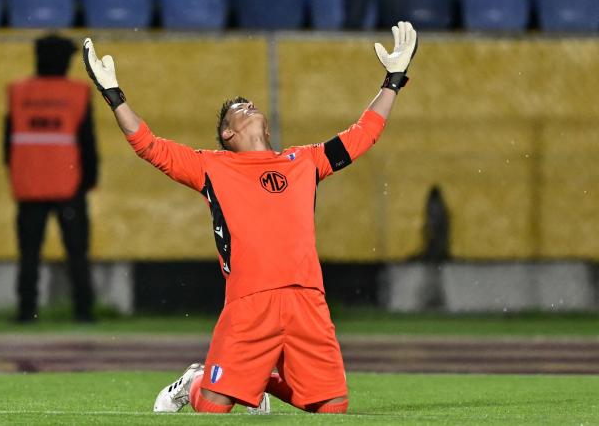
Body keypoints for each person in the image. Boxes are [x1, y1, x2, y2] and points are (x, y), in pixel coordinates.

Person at [82, 21, 417, 414]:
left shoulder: (304, 160)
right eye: (238, 110)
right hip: (249, 302)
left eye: (250, 105)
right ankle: (197, 380)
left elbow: (364, 133)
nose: (249, 106)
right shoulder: (213, 166)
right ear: (227, 134)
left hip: (306, 297)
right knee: (211, 410)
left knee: (333, 411)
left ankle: (257, 384)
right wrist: (113, 94)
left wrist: (393, 80)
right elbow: (149, 146)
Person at [4, 34, 98, 323]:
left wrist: (18, 174)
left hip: (29, 186)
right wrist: (89, 179)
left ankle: (25, 311)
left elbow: (7, 143)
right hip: (69, 186)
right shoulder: (77, 93)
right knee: (77, 253)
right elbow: (87, 142)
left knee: (29, 254)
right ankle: (83, 311)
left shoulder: (19, 92)